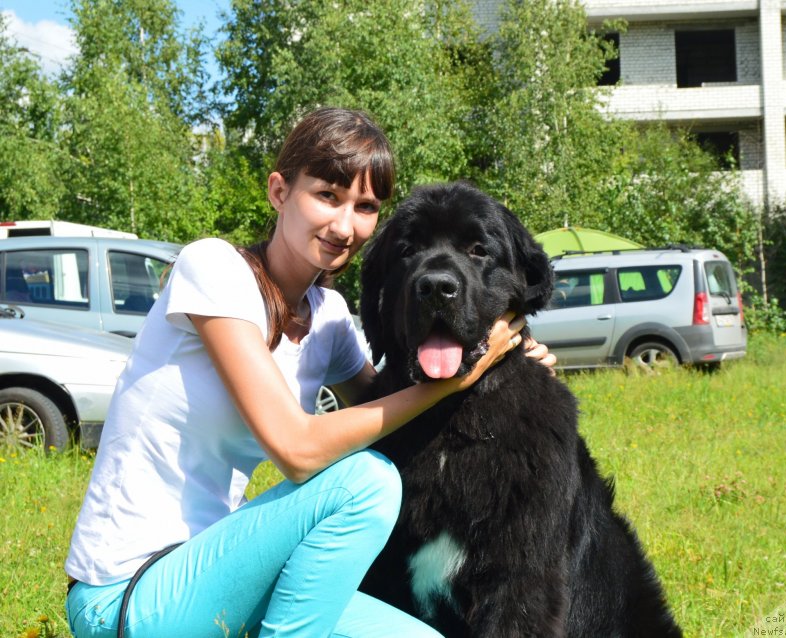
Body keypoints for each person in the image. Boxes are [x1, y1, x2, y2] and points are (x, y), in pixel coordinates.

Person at [64, 107, 554, 638]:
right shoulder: (213, 269)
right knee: (366, 481)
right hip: (129, 594)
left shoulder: (328, 319)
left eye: (365, 206)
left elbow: (388, 415)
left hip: (226, 575)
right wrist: (455, 380)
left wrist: (504, 360)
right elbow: (297, 450)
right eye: (327, 195)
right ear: (279, 191)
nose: (345, 226)